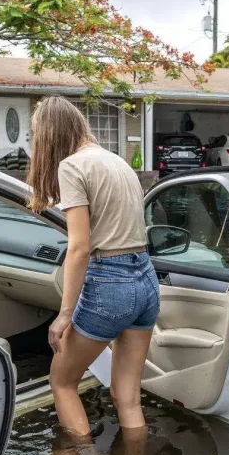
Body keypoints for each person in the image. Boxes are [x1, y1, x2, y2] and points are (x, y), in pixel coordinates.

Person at [28, 96, 159, 437]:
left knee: (62, 382)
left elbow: (80, 248)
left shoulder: (71, 166)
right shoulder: (117, 162)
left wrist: (63, 314)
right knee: (128, 398)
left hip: (109, 284)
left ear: (48, 134)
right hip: (146, 280)